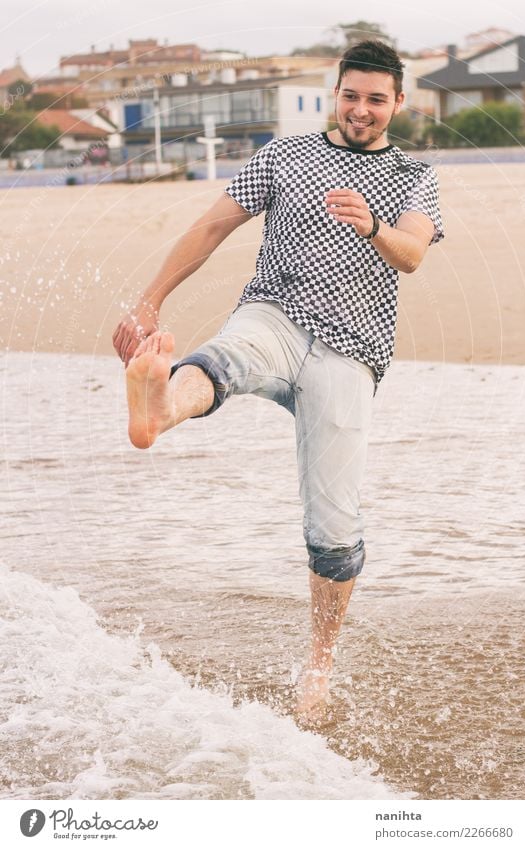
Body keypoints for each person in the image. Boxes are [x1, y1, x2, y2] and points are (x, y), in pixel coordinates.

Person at [112, 40, 444, 724]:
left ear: (397, 104)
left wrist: (372, 223)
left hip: (350, 353)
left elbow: (411, 252)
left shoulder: (415, 175)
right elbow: (212, 226)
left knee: (333, 524)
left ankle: (315, 669)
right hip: (277, 314)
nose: (360, 109)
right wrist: (150, 301)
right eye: (350, 94)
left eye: (375, 99)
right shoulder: (284, 156)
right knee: (226, 357)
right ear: (335, 92)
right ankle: (158, 406)